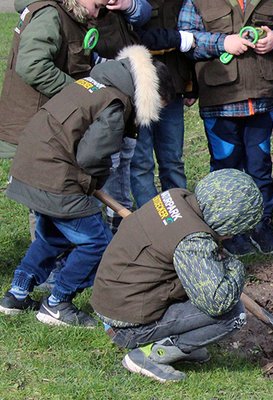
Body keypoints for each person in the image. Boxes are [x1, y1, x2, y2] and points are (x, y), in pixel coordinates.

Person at [0, 45, 175, 327]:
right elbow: (91, 156)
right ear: (152, 95)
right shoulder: (115, 102)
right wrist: (93, 181)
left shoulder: (96, 82)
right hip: (55, 175)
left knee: (51, 237)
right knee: (97, 243)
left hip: (31, 165)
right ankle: (58, 304)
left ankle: (16, 294)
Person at [91, 169, 262, 383]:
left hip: (113, 299)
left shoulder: (175, 197)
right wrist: (234, 266)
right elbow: (217, 302)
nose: (231, 236)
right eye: (234, 230)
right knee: (234, 314)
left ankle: (177, 343)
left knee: (205, 280)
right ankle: (150, 354)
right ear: (226, 220)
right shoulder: (193, 242)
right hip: (125, 325)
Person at [178, 0, 273, 256]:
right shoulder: (195, 2)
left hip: (261, 97)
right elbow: (187, 40)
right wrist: (223, 43)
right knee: (225, 169)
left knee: (260, 167)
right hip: (220, 100)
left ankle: (262, 225)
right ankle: (229, 231)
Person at [0, 0, 150, 158]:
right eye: (97, 7)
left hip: (51, 125)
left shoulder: (73, 16)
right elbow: (33, 66)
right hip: (34, 127)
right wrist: (79, 93)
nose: (97, 15)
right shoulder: (50, 14)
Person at [128, 0, 197, 212]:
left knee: (173, 159)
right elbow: (129, 37)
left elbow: (190, 37)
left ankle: (180, 216)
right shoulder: (130, 5)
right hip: (138, 87)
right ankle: (153, 221)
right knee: (141, 163)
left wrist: (191, 83)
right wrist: (175, 40)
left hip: (173, 86)